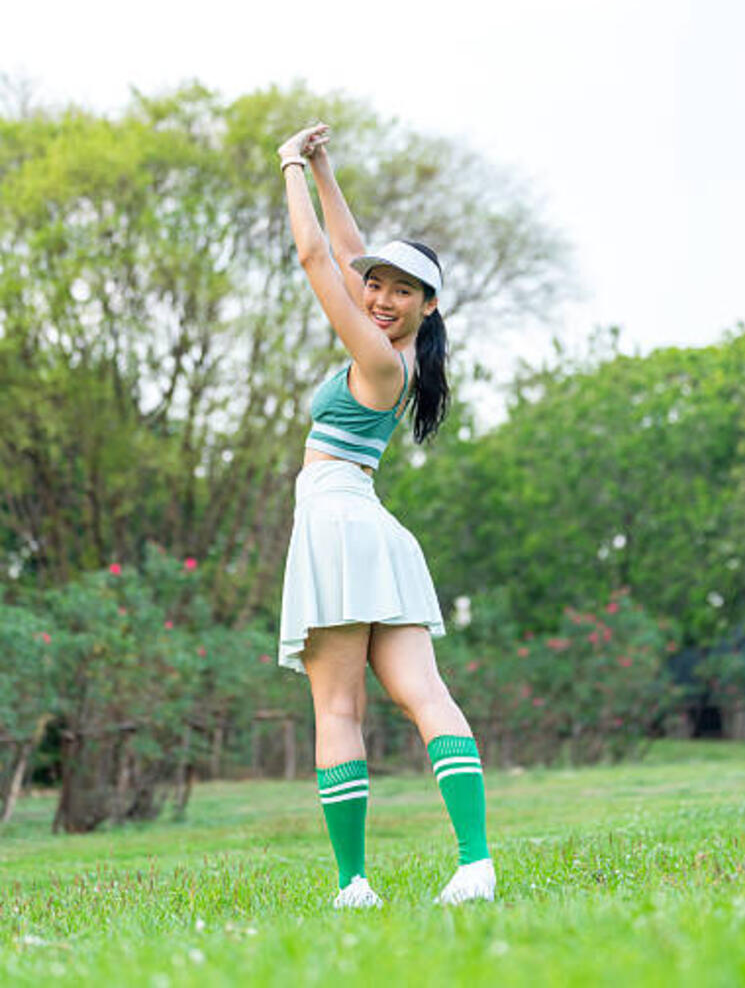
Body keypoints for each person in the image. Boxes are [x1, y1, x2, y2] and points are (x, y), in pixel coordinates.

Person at [276, 122, 495, 909]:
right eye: (378, 285)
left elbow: (314, 260)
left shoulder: (376, 358)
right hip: (368, 527)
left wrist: (290, 165)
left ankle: (353, 885)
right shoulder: (394, 352)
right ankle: (475, 864)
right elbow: (345, 251)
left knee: (338, 708)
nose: (380, 296)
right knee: (426, 696)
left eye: (402, 290)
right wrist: (328, 169)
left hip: (337, 525)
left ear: (428, 307)